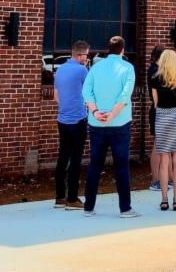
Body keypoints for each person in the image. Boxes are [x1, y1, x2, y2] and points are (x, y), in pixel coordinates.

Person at [82, 35, 140, 218]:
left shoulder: (96, 68)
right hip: (120, 124)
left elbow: (86, 91)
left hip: (96, 123)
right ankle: (125, 209)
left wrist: (95, 112)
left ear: (108, 49)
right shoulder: (128, 68)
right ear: (122, 49)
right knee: (121, 166)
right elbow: (125, 95)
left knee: (95, 165)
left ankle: (88, 207)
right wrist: (113, 114)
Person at [149, 49, 176, 211]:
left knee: (164, 161)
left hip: (162, 116)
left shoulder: (155, 78)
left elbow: (155, 102)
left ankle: (164, 199)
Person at [53, 40, 90, 209]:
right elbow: (89, 91)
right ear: (81, 55)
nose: (87, 58)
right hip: (78, 119)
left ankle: (60, 197)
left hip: (62, 118)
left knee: (63, 156)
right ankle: (73, 198)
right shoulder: (82, 70)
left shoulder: (60, 70)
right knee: (76, 159)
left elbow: (56, 96)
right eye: (86, 55)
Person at [146, 45, 164, 191]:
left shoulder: (157, 69)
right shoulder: (154, 71)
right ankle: (155, 180)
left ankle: (167, 178)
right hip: (158, 110)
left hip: (162, 110)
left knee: (167, 146)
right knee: (158, 144)